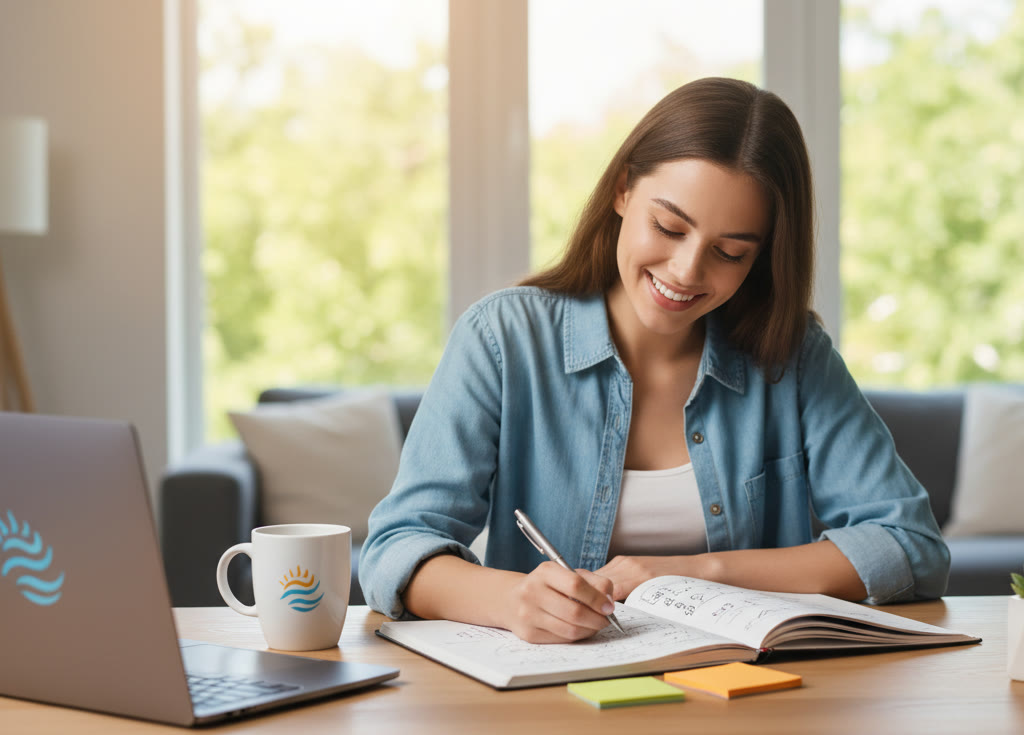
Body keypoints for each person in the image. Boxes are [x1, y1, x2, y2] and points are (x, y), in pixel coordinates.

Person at [360, 77, 949, 644]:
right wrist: (515, 602)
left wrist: (699, 571)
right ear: (622, 190)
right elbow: (396, 549)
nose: (687, 271)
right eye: (668, 226)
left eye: (730, 252)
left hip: (751, 699)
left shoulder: (791, 358)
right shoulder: (503, 340)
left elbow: (910, 545)